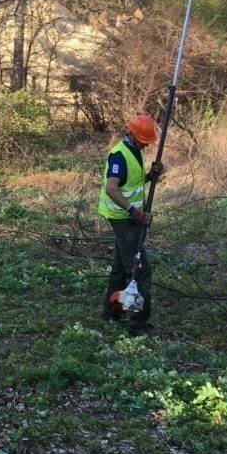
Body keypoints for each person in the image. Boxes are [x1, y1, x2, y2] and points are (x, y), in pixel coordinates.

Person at [98, 115, 165, 333]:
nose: (147, 144)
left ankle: (111, 313)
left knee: (120, 267)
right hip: (123, 219)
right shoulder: (119, 155)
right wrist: (134, 213)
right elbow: (112, 188)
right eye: (144, 140)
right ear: (134, 136)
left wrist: (149, 176)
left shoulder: (134, 151)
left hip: (128, 219)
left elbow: (131, 183)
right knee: (140, 269)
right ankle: (137, 324)